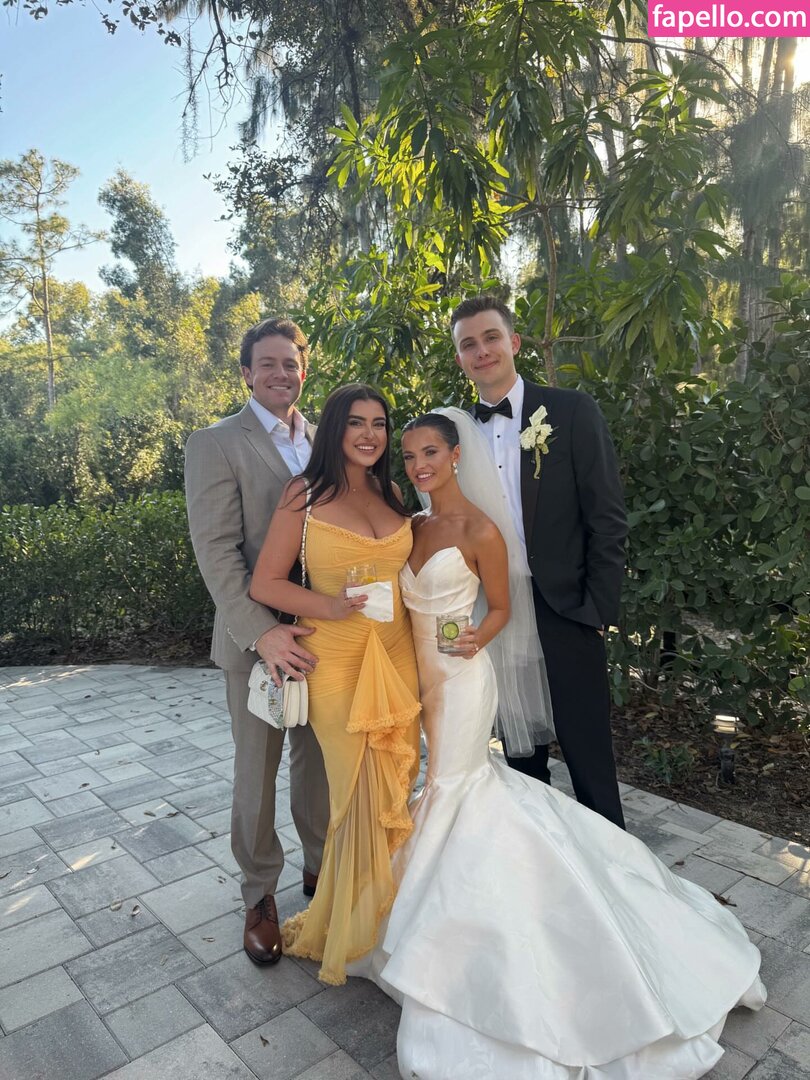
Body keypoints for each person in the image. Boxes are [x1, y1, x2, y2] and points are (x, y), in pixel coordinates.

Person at [353, 409, 765, 1080]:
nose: (418, 465)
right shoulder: (414, 526)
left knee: (455, 784)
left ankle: (453, 933)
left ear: (455, 455)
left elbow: (502, 608)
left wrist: (475, 640)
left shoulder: (481, 530)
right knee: (447, 786)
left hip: (461, 677)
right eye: (409, 456)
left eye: (430, 451)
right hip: (416, 677)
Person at [248, 383, 422, 986]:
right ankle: (352, 925)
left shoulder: (391, 491)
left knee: (398, 780)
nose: (370, 434)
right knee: (354, 793)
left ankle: (389, 915)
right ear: (334, 429)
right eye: (356, 423)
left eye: (379, 423)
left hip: (398, 654)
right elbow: (265, 584)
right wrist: (327, 605)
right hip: (338, 660)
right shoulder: (304, 494)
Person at [184, 316, 329, 967]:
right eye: (267, 363)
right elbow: (215, 551)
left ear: (304, 370)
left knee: (318, 765)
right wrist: (263, 632)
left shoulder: (324, 440)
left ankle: (321, 869)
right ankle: (260, 894)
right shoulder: (216, 443)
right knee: (256, 774)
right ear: (246, 373)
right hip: (257, 643)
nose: (280, 373)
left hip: (322, 637)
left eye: (290, 363)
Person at [452, 295, 627, 827]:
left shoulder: (571, 412)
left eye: (491, 338)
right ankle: (542, 859)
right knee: (522, 757)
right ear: (459, 358)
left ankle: (613, 861)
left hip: (566, 607)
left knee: (588, 754)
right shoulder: (452, 432)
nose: (482, 351)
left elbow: (607, 518)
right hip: (495, 611)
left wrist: (598, 610)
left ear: (513, 342)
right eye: (468, 344)